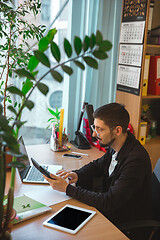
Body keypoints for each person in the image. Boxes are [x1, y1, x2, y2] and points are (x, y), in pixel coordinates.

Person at [44, 102, 152, 240]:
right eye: (94, 127)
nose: (94, 134)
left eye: (100, 129)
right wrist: (77, 174)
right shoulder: (118, 145)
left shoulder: (135, 161)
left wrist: (67, 189)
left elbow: (109, 201)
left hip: (124, 225)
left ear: (117, 130)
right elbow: (98, 165)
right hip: (111, 211)